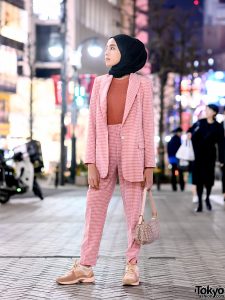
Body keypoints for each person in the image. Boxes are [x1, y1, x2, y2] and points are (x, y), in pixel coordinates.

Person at [56, 34, 155, 286]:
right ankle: (85, 267)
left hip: (134, 151)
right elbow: (92, 125)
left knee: (134, 214)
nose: (106, 52)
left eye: (113, 47)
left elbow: (148, 125)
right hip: (102, 152)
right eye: (106, 47)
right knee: (93, 210)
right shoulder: (100, 83)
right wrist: (89, 162)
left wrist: (149, 165)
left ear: (127, 52)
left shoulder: (142, 85)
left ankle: (132, 266)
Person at [187, 104, 224, 212]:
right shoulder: (199, 122)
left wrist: (222, 159)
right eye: (206, 109)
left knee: (208, 179)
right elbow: (190, 130)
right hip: (198, 155)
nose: (206, 111)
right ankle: (200, 203)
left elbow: (221, 144)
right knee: (198, 179)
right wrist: (189, 133)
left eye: (208, 110)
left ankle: (207, 197)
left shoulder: (218, 126)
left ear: (214, 112)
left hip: (210, 156)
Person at [167, 127, 185, 191]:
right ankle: (182, 187)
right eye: (180, 133)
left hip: (172, 159)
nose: (181, 134)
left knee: (173, 174)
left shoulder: (171, 140)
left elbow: (168, 149)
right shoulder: (178, 140)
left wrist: (169, 158)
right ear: (178, 132)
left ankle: (174, 187)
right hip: (178, 159)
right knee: (180, 173)